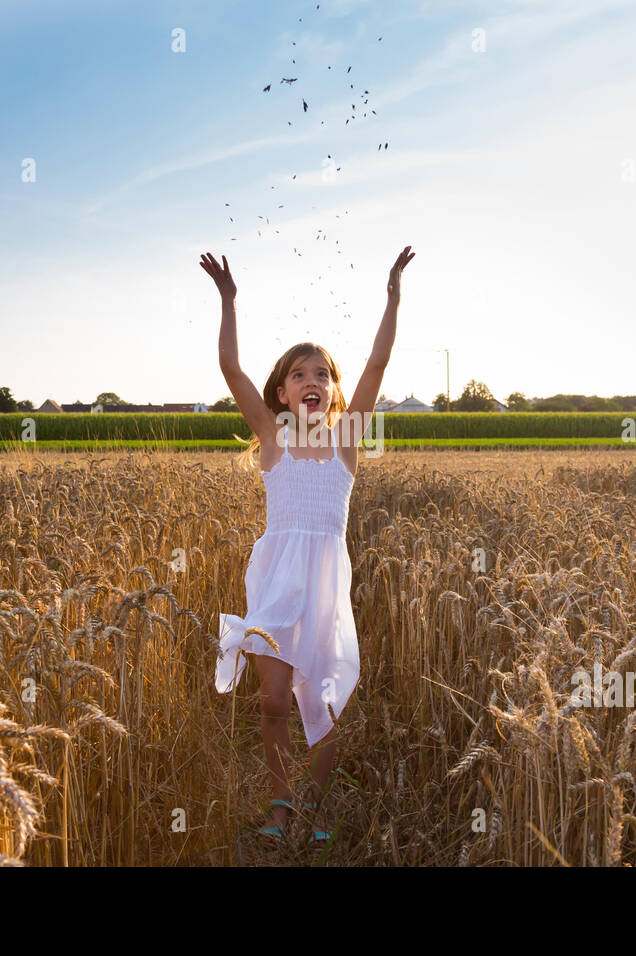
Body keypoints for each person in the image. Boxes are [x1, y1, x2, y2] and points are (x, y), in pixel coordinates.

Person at [201, 245, 415, 849]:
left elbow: (378, 360)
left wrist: (392, 297)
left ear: (334, 391)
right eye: (299, 374)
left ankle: (316, 810)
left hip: (323, 590)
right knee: (272, 703)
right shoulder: (273, 439)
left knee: (321, 707)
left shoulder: (348, 440)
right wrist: (229, 302)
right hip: (275, 585)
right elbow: (230, 370)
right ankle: (279, 805)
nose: (311, 381)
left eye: (321, 373)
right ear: (282, 392)